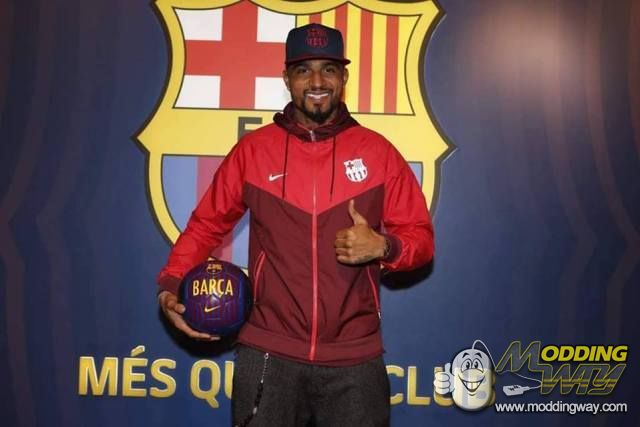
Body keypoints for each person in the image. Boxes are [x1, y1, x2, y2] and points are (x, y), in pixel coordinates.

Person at [157, 23, 434, 427]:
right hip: (269, 354)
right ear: (287, 78)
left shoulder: (378, 153)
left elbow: (421, 238)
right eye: (304, 70)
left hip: (354, 359)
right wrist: (170, 285)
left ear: (343, 78)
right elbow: (205, 225)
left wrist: (384, 247)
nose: (317, 82)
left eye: (328, 69)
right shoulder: (254, 151)